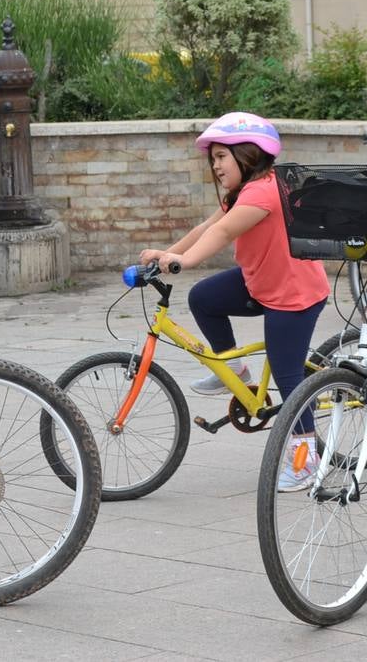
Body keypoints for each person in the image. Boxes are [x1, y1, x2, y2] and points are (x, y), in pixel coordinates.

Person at [139, 112, 330, 491]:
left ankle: (305, 462)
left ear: (248, 154)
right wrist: (165, 255)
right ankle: (235, 372)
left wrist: (186, 261)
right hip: (259, 283)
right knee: (204, 298)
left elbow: (225, 232)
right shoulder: (245, 190)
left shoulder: (264, 191)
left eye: (222, 157)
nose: (216, 166)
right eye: (213, 159)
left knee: (288, 375)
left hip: (293, 296)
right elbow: (207, 227)